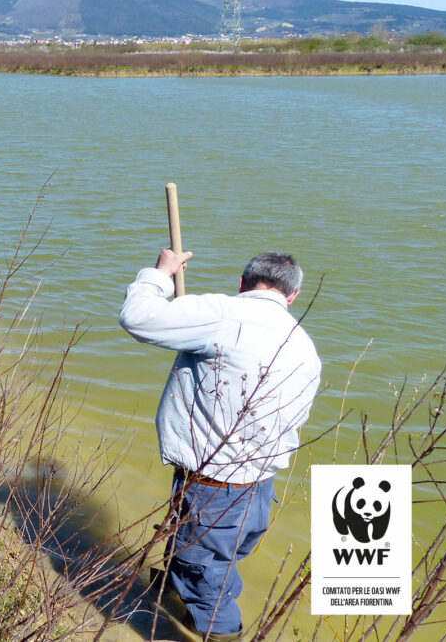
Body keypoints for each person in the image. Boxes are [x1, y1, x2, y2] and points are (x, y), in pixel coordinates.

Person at [118, 250, 321, 640]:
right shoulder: (304, 347)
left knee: (206, 582)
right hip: (259, 489)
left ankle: (223, 633)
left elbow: (137, 317)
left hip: (213, 488)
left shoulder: (223, 313)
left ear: (243, 283)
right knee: (215, 565)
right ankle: (177, 593)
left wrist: (160, 274)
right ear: (291, 296)